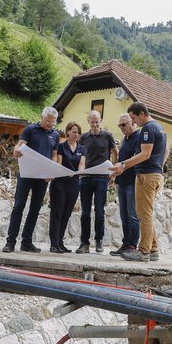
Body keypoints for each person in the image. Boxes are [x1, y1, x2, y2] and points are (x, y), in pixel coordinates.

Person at [110, 102, 167, 262]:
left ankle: (143, 252)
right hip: (155, 175)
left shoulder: (148, 128)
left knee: (143, 215)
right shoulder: (160, 128)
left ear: (142, 114)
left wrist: (123, 164)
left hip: (146, 175)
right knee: (146, 214)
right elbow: (166, 151)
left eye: (134, 118)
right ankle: (153, 250)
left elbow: (145, 153)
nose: (134, 122)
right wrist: (159, 167)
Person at [2, 107, 59, 253]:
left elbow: (54, 155)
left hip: (42, 177)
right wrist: (16, 150)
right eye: (47, 121)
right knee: (19, 206)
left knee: (35, 209)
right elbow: (20, 145)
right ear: (42, 117)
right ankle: (10, 242)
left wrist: (52, 170)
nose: (49, 124)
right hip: (26, 174)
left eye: (52, 122)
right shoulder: (30, 129)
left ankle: (26, 242)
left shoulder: (55, 135)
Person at [76, 110, 118, 254]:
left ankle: (99, 241)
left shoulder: (107, 136)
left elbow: (115, 152)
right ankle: (84, 243)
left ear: (100, 120)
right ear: (88, 121)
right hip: (86, 178)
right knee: (85, 212)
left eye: (97, 122)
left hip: (101, 178)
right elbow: (80, 155)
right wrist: (80, 171)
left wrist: (113, 172)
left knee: (100, 211)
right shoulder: (83, 137)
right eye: (92, 122)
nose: (94, 124)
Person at [48, 122, 86, 254]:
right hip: (60, 183)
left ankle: (60, 242)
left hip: (74, 184)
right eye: (74, 132)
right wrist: (66, 172)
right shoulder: (61, 146)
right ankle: (54, 244)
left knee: (66, 214)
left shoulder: (82, 149)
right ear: (68, 132)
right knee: (57, 213)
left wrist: (78, 172)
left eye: (78, 132)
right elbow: (58, 163)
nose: (76, 134)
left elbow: (82, 165)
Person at [109, 114, 140, 257]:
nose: (121, 128)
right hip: (122, 181)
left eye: (124, 125)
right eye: (119, 125)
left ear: (132, 123)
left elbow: (135, 160)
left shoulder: (138, 138)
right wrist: (114, 175)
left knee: (133, 215)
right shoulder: (125, 139)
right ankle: (126, 243)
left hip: (132, 182)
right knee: (124, 216)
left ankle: (133, 245)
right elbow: (121, 160)